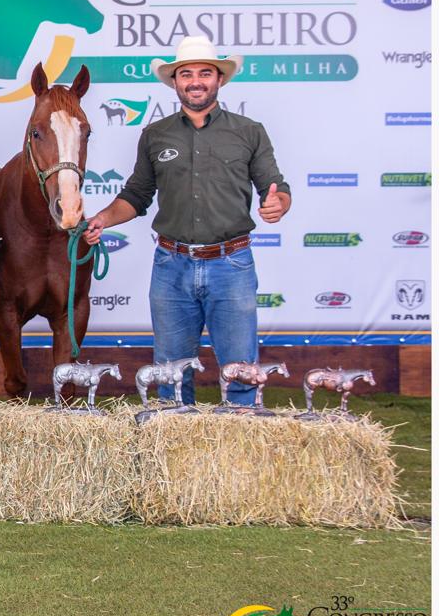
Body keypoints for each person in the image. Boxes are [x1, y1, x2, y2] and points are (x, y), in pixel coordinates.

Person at [83, 36, 292, 405]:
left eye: (205, 73)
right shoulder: (155, 135)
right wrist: (102, 218)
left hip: (232, 264)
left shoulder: (249, 131)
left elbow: (276, 188)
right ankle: (174, 459)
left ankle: (240, 454)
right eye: (187, 74)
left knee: (241, 370)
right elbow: (136, 196)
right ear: (175, 81)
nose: (196, 81)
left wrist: (278, 204)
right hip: (171, 266)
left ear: (219, 80)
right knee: (171, 374)